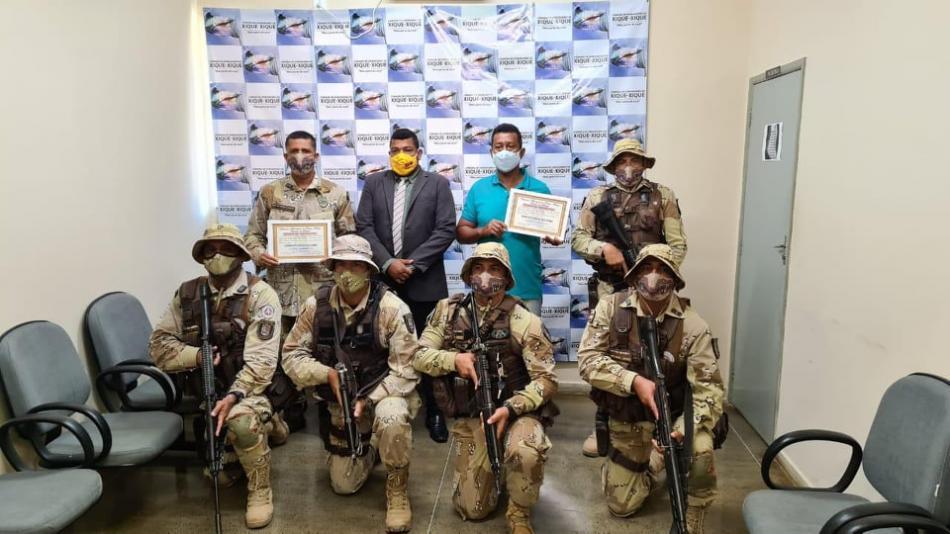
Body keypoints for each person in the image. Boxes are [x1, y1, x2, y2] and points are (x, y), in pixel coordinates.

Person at [148, 223, 291, 528]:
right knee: (221, 475)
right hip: (209, 391)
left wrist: (234, 396)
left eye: (226, 249)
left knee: (240, 420)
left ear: (240, 255)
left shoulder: (260, 294)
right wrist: (197, 356)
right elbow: (158, 347)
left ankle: (260, 489)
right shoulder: (188, 293)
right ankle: (262, 429)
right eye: (210, 250)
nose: (217, 255)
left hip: (252, 389)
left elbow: (262, 362)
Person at [413, 242, 558, 534]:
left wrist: (512, 408)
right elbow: (417, 356)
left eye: (494, 268)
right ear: (468, 274)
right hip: (473, 415)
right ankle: (496, 468)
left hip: (517, 412)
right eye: (478, 267)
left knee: (526, 452)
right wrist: (454, 360)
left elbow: (546, 380)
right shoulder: (447, 311)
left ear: (506, 276)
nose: (485, 275)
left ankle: (519, 511)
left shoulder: (524, 320)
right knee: (472, 509)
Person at [577, 244, 723, 534]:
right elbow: (588, 360)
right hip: (629, 416)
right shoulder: (611, 308)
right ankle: (653, 461)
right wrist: (633, 381)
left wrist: (681, 429)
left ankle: (695, 507)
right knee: (621, 507)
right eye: (646, 268)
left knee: (701, 450)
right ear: (634, 276)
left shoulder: (693, 325)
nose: (653, 276)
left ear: (675, 280)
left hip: (675, 417)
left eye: (662, 270)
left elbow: (709, 390)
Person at [281, 234, 419, 533]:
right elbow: (291, 355)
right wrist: (325, 374)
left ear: (368, 270)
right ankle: (370, 449)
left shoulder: (392, 308)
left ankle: (397, 490)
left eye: (355, 265)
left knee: (392, 417)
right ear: (332, 268)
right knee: (344, 485)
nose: (347, 272)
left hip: (384, 394)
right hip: (339, 401)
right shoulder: (315, 306)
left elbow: (406, 371)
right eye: (341, 264)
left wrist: (369, 399)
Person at [571, 138, 688, 457]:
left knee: (652, 354)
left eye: (634, 160)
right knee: (605, 355)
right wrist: (603, 249)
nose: (628, 167)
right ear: (613, 166)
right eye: (622, 161)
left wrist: (657, 277)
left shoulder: (663, 196)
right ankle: (604, 423)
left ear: (644, 164)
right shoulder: (598, 196)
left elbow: (677, 246)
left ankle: (652, 422)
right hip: (610, 289)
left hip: (651, 292)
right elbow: (578, 239)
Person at [356, 127, 456, 443]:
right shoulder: (374, 183)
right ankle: (384, 408)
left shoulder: (437, 183)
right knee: (381, 348)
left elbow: (446, 229)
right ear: (389, 153)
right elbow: (364, 226)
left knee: (428, 348)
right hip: (383, 284)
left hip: (425, 281)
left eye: (407, 149)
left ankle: (435, 411)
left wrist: (411, 265)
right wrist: (388, 263)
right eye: (395, 150)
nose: (401, 155)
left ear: (418, 153)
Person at [245, 130, 356, 336]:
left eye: (305, 151)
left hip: (323, 293)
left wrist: (335, 258)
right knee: (281, 350)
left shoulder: (336, 193)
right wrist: (260, 254)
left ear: (316, 156)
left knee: (323, 349)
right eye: (294, 151)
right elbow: (253, 235)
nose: (299, 156)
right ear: (285, 156)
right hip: (280, 294)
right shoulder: (270, 192)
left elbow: (349, 240)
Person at [456, 123, 562, 316]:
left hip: (526, 289)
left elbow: (555, 234)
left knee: (530, 336)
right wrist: (483, 231)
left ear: (521, 152)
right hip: (486, 289)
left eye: (510, 146)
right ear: (492, 152)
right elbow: (461, 233)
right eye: (499, 147)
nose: (504, 152)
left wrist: (552, 235)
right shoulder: (479, 188)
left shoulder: (539, 189)